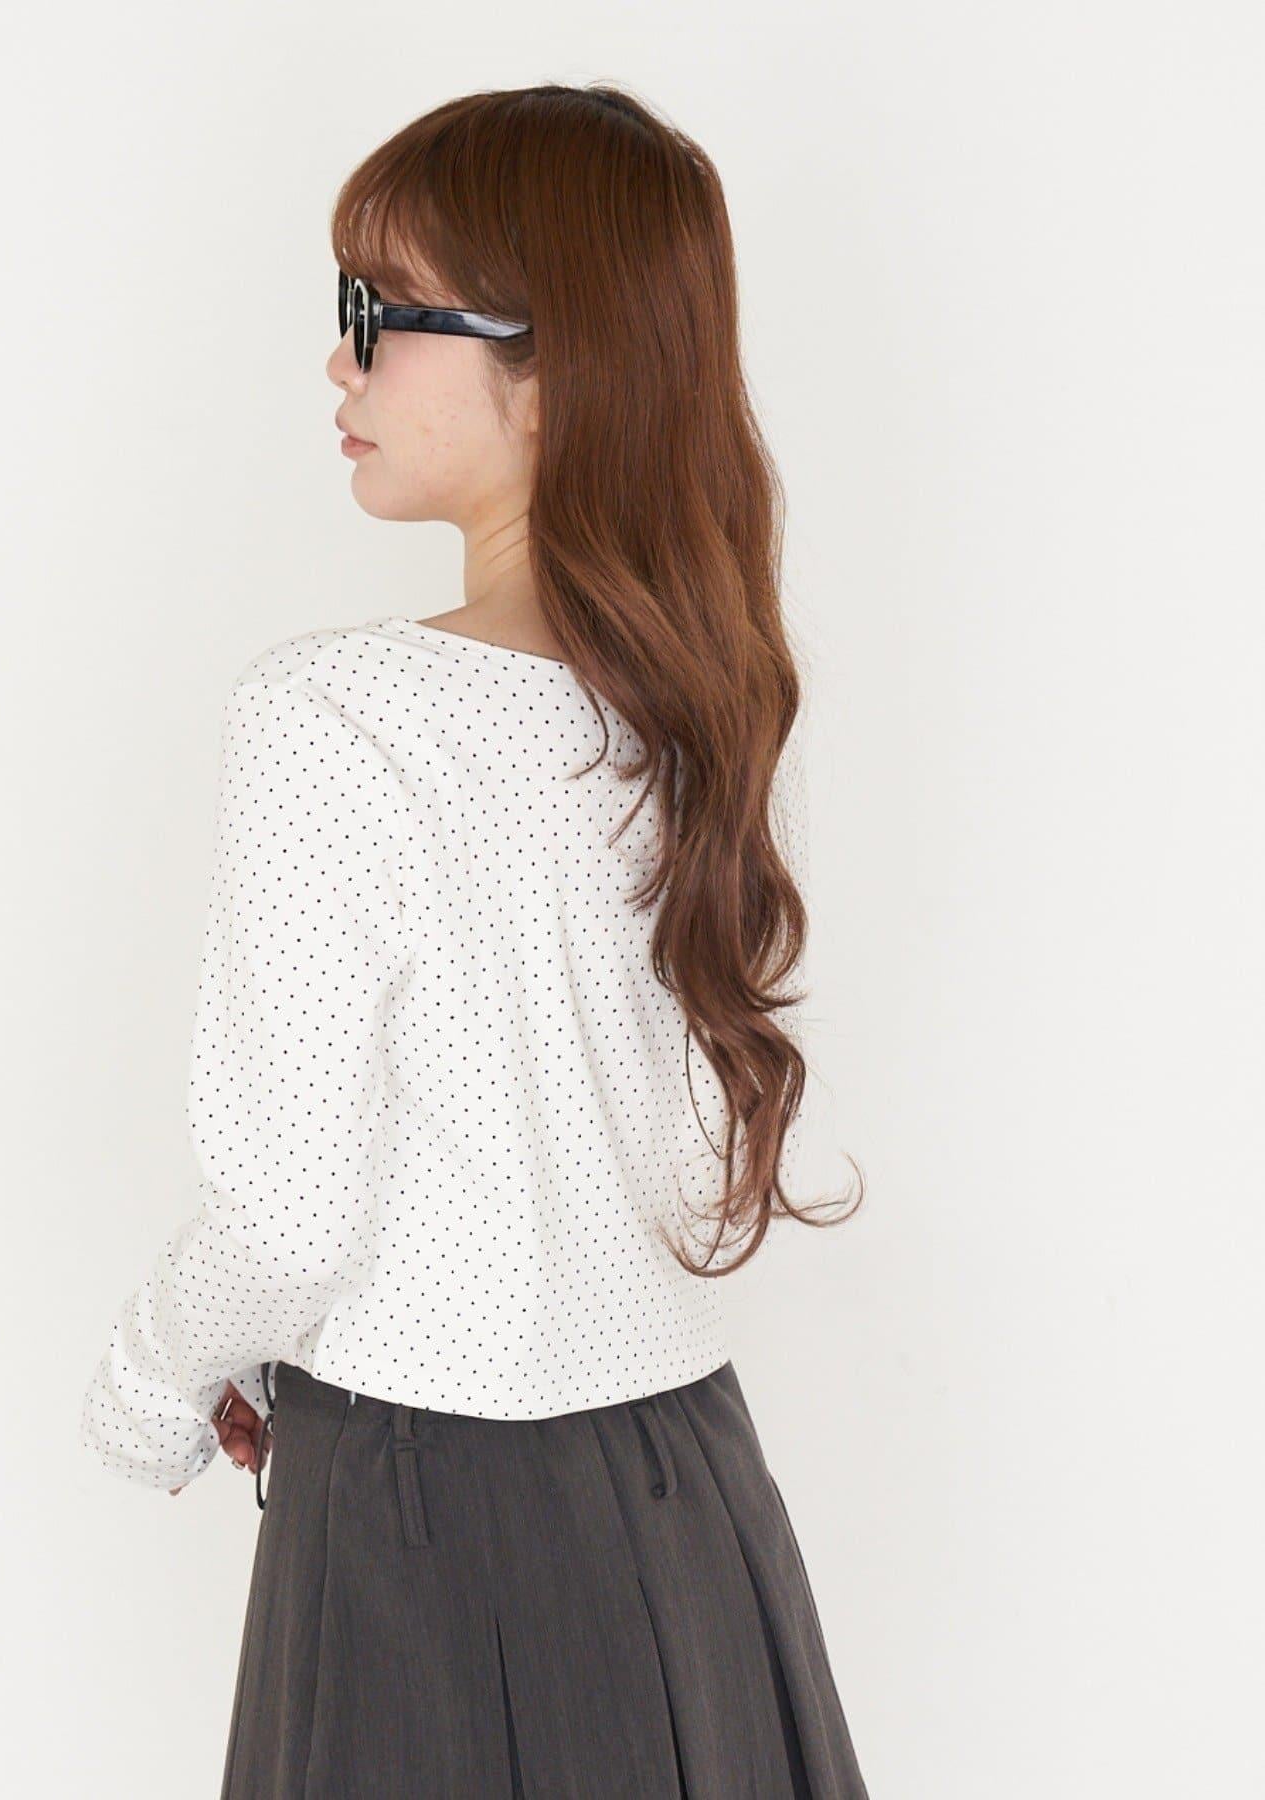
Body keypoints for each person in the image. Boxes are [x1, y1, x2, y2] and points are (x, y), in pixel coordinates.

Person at [80, 79, 869, 1799]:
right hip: (693, 1498)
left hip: (422, 1524)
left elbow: (293, 1211)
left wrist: (147, 1388)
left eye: (381, 314)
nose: (341, 365)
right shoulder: (712, 708)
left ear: (556, 362)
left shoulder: (340, 714)